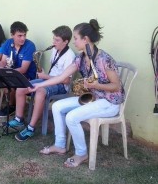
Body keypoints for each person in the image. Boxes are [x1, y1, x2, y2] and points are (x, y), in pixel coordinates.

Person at [29, 19, 125, 168]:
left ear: (85, 39)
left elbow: (116, 86)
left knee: (72, 117)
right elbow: (61, 77)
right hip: (94, 98)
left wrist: (96, 85)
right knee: (57, 107)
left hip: (110, 102)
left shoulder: (104, 59)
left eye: (75, 38)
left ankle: (82, 153)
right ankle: (60, 145)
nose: (74, 42)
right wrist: (39, 86)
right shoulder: (80, 58)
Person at [8, 25, 76, 141]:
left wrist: (45, 76)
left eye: (57, 40)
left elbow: (66, 80)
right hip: (48, 80)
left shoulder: (70, 56)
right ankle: (19, 119)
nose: (53, 42)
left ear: (66, 42)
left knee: (40, 91)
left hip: (61, 86)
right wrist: (43, 74)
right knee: (21, 87)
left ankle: (31, 128)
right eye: (53, 38)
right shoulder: (55, 49)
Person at [0, 21, 37, 117]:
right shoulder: (8, 43)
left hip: (26, 75)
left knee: (9, 80)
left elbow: (23, 69)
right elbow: (3, 61)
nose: (23, 38)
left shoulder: (30, 46)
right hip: (9, 71)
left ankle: (11, 106)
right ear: (12, 35)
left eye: (24, 35)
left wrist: (7, 72)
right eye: (19, 36)